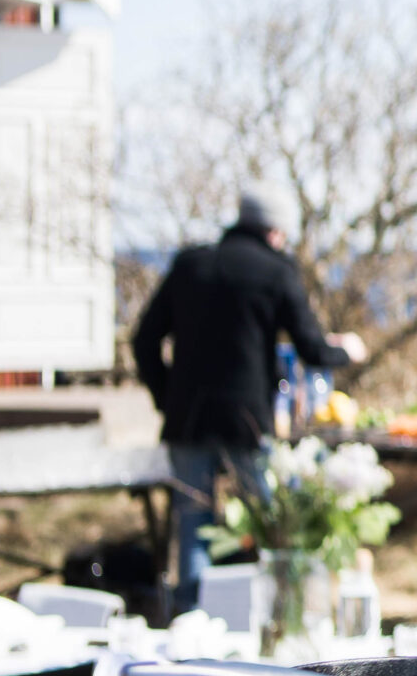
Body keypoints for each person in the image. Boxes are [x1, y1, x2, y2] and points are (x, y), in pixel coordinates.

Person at [132, 186, 370, 611]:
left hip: (187, 417)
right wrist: (347, 351)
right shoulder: (275, 271)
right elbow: (311, 348)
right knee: (271, 524)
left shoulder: (190, 265)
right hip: (247, 421)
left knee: (193, 525)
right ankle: (279, 613)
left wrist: (165, 397)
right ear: (275, 232)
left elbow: (144, 341)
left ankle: (191, 626)